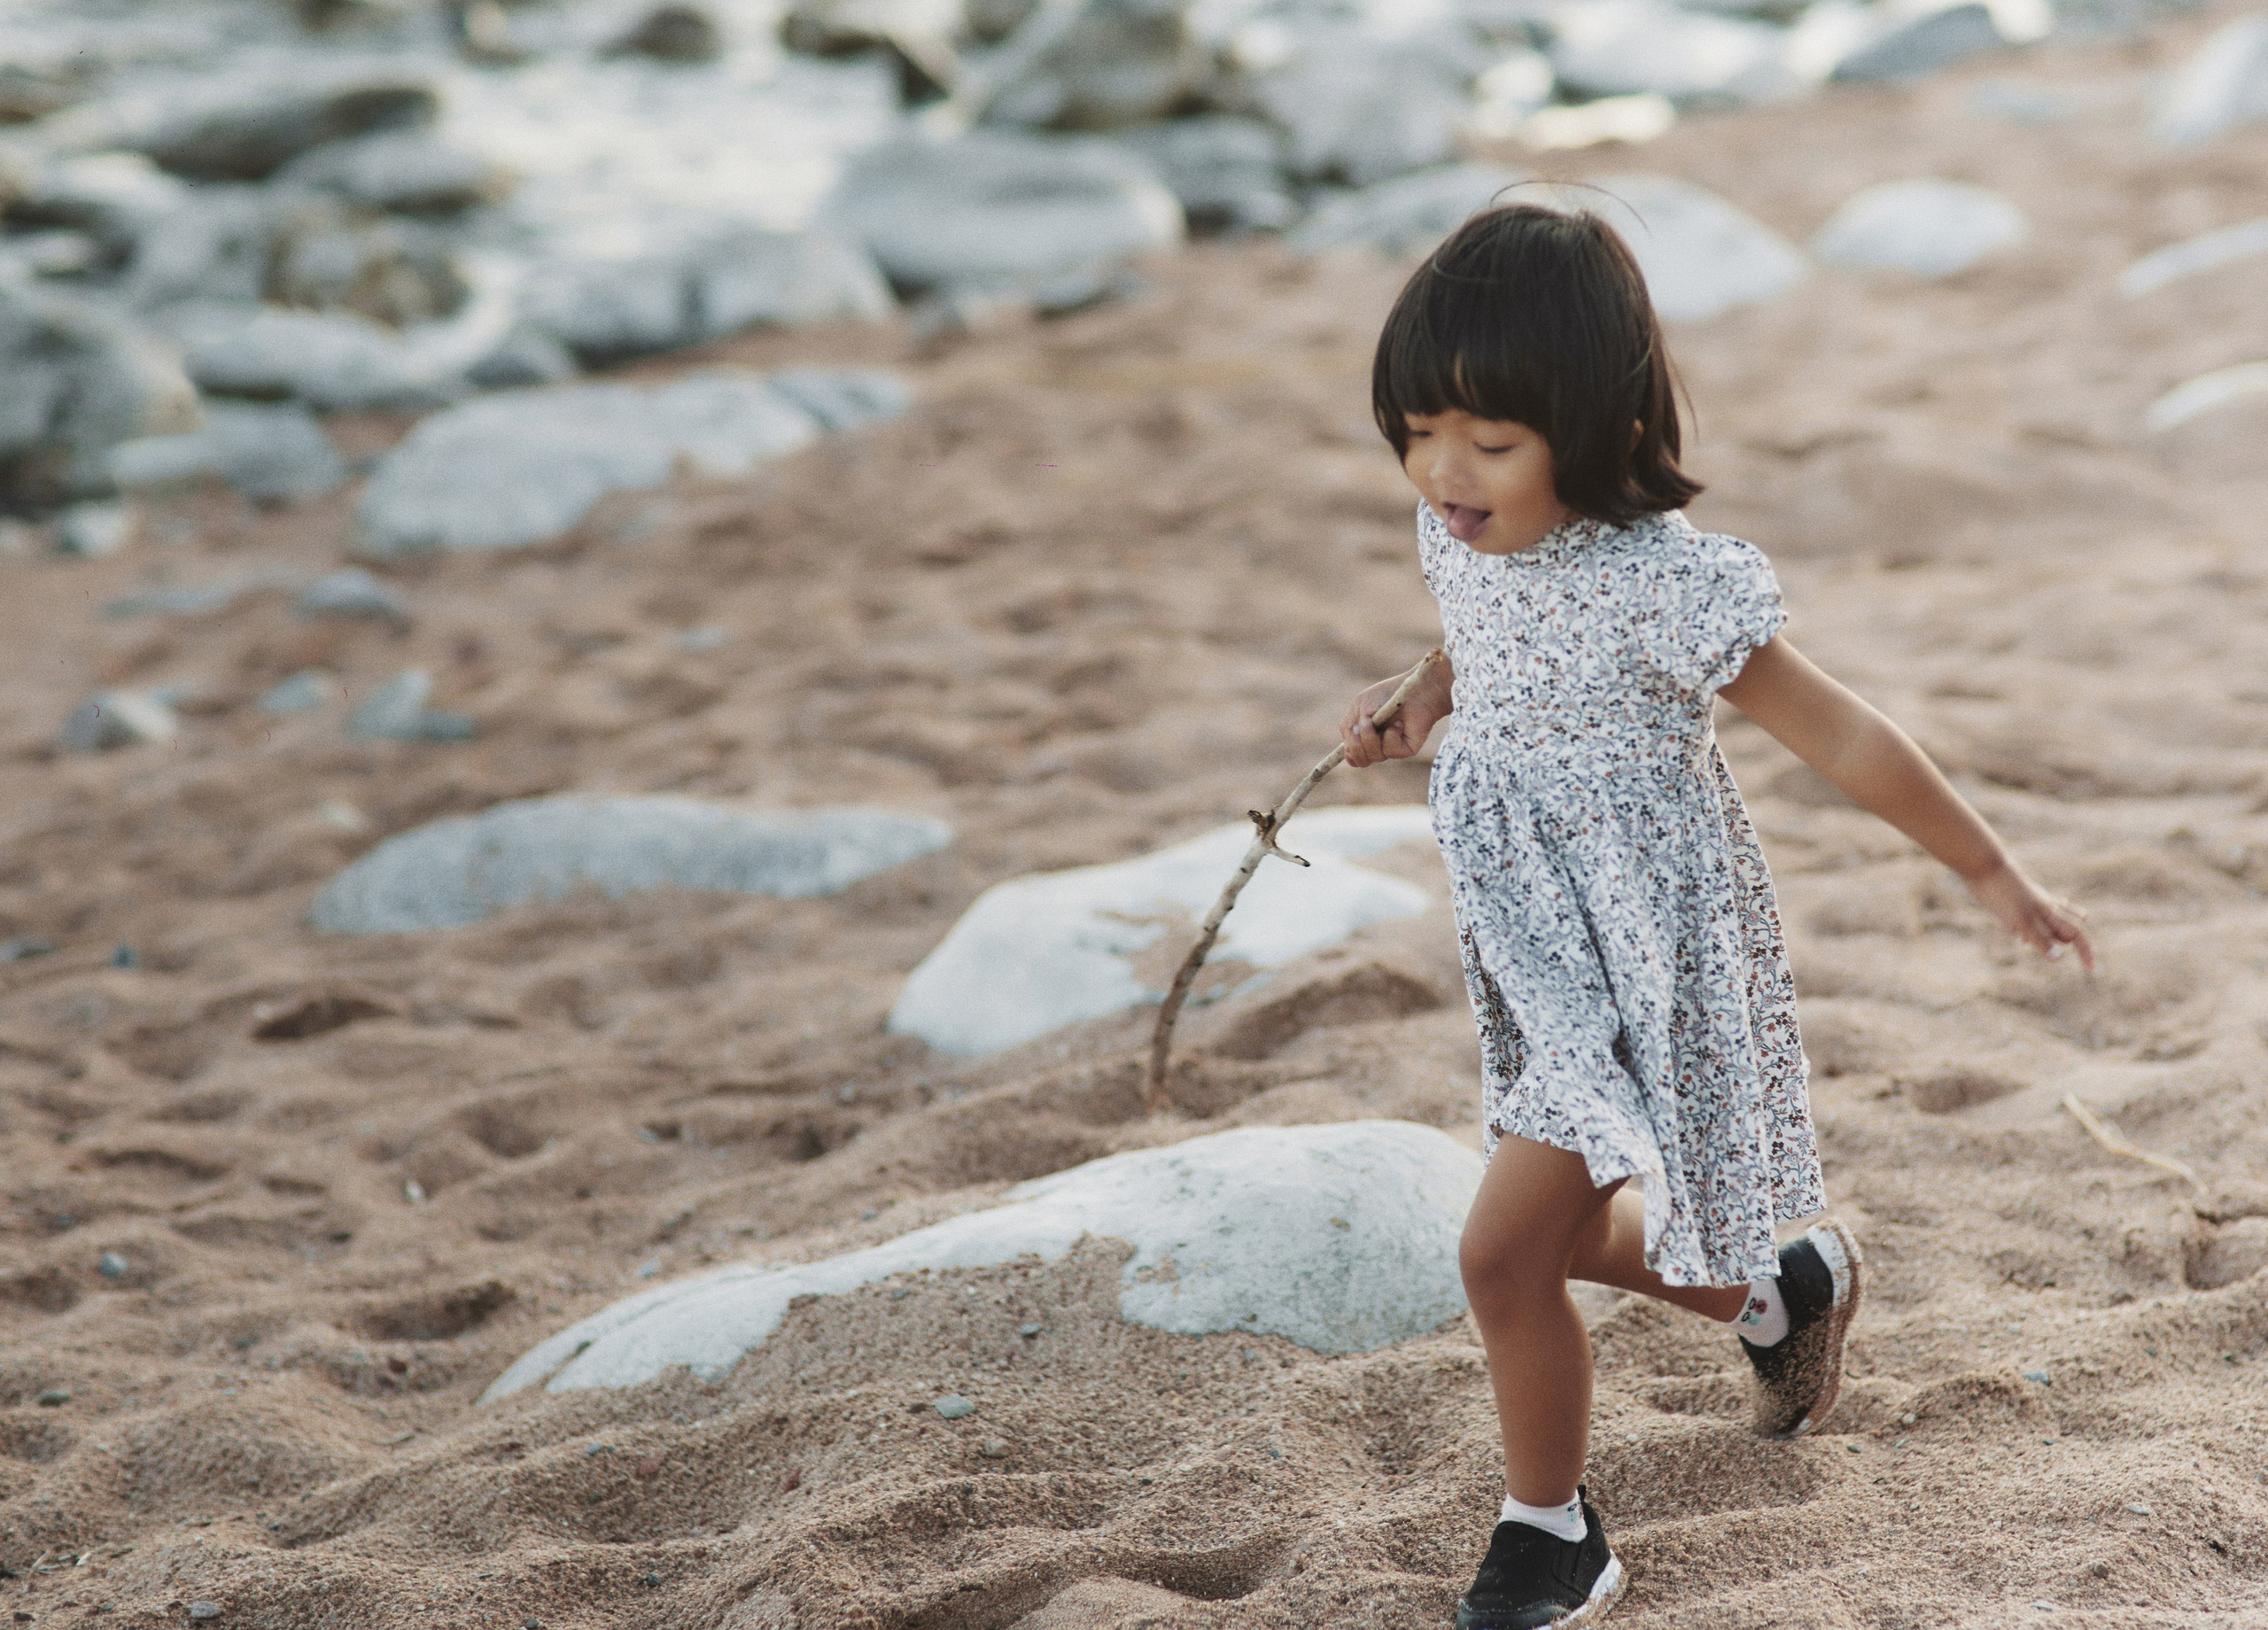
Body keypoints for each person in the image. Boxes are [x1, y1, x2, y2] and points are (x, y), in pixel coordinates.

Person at [1338, 203, 2094, 1630]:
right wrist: (1426, 697)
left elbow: (1844, 732)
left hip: (1644, 944)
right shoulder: (1461, 534)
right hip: (1532, 942)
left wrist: (1992, 871)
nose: (1444, 473)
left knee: (1501, 1251)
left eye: (1490, 443)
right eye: (1417, 430)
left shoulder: (1669, 584)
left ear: (1591, 423)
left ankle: (1552, 1533)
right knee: (1555, 1238)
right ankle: (1782, 1292)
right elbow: (1472, 633)